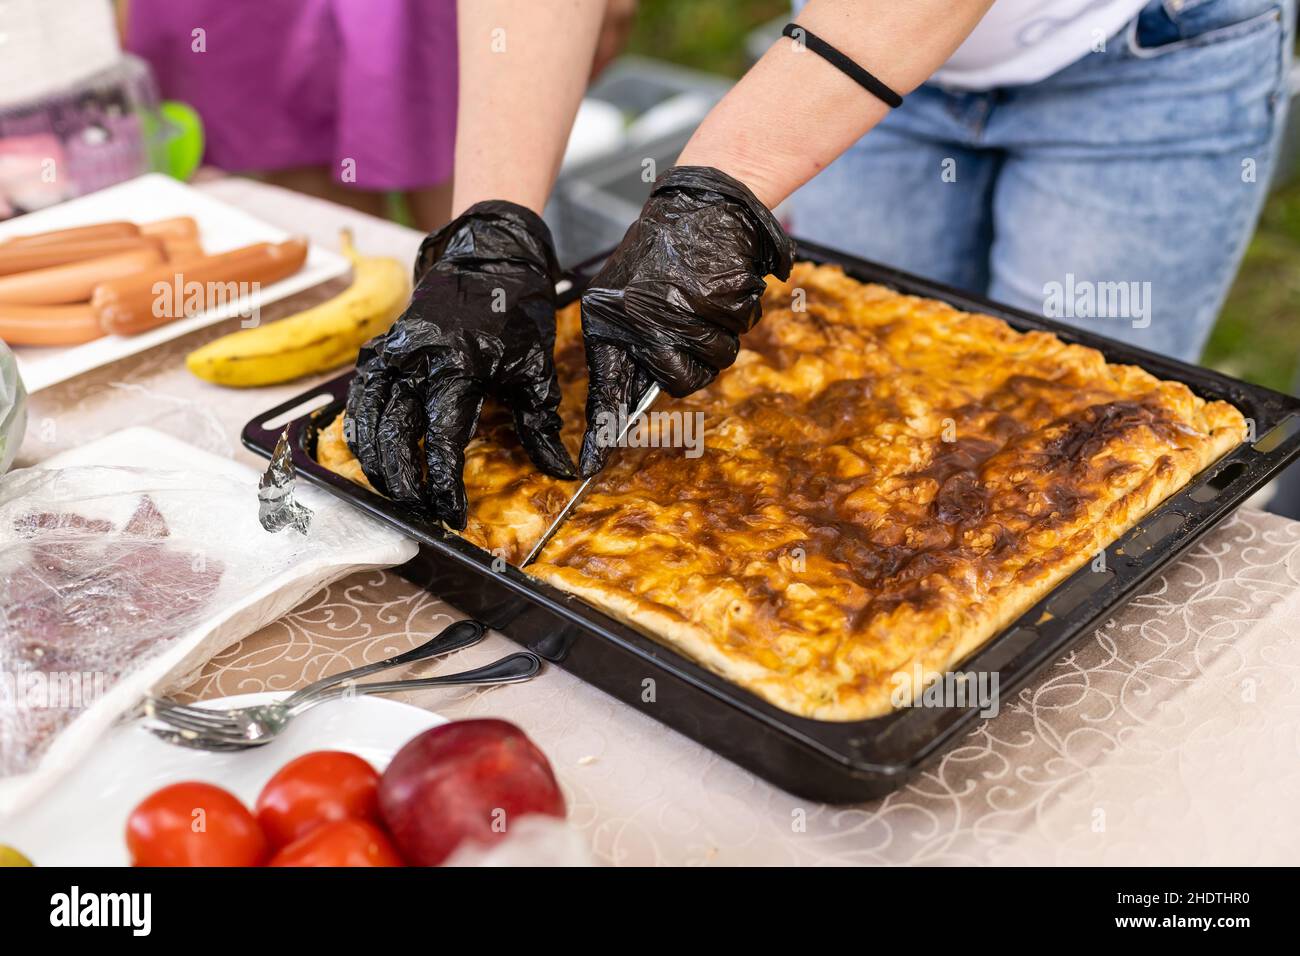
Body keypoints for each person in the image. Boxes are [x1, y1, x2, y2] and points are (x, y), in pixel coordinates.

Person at [344, 0, 1295, 530]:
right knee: (844, 421)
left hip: (1150, 52)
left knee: (1079, 458)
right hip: (845, 41)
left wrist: (722, 188)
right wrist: (491, 230)